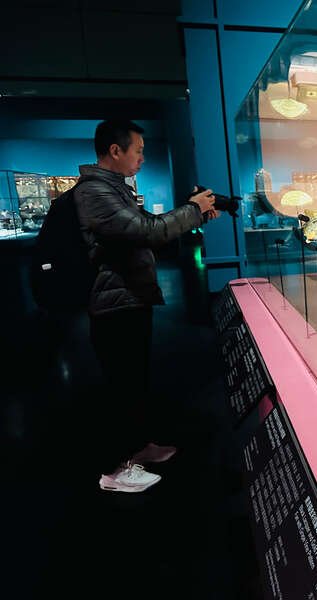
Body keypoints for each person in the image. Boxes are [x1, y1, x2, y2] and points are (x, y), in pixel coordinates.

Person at [74, 119, 218, 493]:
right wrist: (191, 209)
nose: (141, 158)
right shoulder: (95, 192)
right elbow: (147, 231)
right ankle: (115, 471)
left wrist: (195, 214)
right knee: (122, 386)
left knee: (134, 383)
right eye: (137, 151)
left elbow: (147, 227)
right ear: (115, 150)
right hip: (114, 304)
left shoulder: (114, 189)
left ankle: (138, 448)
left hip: (128, 298)